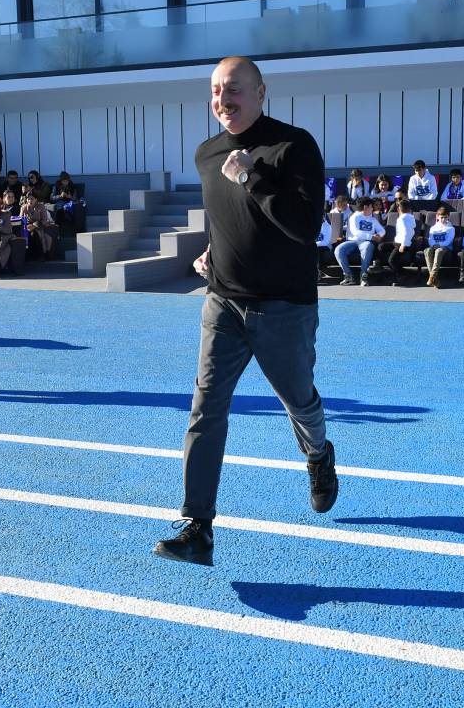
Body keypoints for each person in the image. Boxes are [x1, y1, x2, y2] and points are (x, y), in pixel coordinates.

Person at [154, 56, 337, 568]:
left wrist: (253, 177)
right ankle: (198, 526)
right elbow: (225, 216)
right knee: (205, 409)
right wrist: (214, 250)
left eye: (233, 89)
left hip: (284, 307)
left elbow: (304, 228)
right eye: (215, 90)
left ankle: (319, 454)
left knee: (300, 402)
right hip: (224, 301)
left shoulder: (292, 146)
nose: (222, 99)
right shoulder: (207, 152)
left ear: (260, 92)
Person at [334, 196, 385, 286]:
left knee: (367, 246)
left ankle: (363, 276)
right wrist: (372, 237)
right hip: (352, 241)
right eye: (371, 207)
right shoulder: (354, 217)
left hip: (366, 242)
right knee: (338, 249)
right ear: (366, 207)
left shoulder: (372, 219)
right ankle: (348, 276)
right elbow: (356, 232)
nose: (372, 209)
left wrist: (379, 235)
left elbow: (382, 231)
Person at [423, 204, 456, 288]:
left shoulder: (451, 228)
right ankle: (434, 279)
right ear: (437, 217)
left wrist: (439, 245)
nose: (443, 219)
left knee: (439, 251)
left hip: (446, 247)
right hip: (434, 246)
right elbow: (431, 239)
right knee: (427, 250)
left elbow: (449, 241)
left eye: (445, 217)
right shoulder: (433, 228)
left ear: (448, 217)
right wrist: (434, 245)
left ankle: (432, 275)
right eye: (441, 217)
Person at [386, 198, 417, 285]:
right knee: (381, 247)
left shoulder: (403, 219)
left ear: (399, 209)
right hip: (396, 242)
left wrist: (403, 245)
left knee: (391, 261)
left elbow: (408, 232)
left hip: (402, 244)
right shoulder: (410, 217)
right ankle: (378, 266)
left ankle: (402, 275)